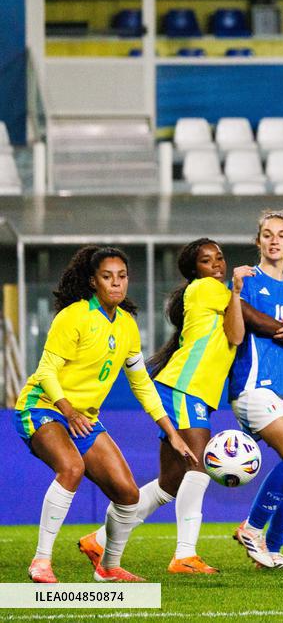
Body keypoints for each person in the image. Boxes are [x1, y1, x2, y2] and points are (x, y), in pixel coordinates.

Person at [15, 246, 195, 583]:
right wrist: (68, 411)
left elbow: (141, 383)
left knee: (129, 495)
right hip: (42, 408)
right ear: (93, 282)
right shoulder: (73, 316)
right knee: (71, 467)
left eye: (122, 276)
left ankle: (109, 568)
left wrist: (172, 433)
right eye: (107, 276)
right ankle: (41, 562)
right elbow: (46, 371)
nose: (116, 283)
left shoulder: (126, 325)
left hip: (82, 418)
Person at [80, 238, 253, 574]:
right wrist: (236, 290)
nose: (216, 264)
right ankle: (185, 555)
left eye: (219, 257)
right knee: (199, 467)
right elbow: (236, 335)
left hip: (185, 390)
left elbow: (231, 333)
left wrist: (233, 293)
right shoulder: (208, 288)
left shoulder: (209, 292)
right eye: (206, 260)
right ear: (194, 270)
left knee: (170, 484)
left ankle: (99, 540)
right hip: (185, 389)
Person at [229, 211, 283, 568]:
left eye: (282, 235)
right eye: (267, 234)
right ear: (258, 241)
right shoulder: (247, 281)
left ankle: (273, 549)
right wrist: (235, 293)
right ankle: (251, 528)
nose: (275, 240)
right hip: (254, 384)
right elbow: (238, 325)